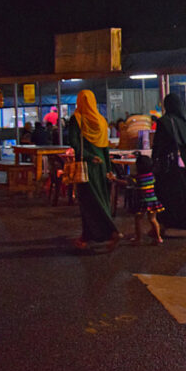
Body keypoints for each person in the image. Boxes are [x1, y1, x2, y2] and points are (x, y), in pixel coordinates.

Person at [68, 90, 120, 251]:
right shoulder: (101, 121)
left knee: (89, 202)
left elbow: (75, 144)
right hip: (102, 165)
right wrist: (108, 169)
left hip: (87, 166)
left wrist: (90, 157)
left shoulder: (76, 119)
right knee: (102, 199)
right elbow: (105, 147)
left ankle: (111, 231)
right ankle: (91, 235)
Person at [153, 93, 186, 237]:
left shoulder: (164, 122)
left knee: (169, 194)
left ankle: (169, 224)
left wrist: (154, 160)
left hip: (170, 163)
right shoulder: (183, 121)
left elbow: (159, 144)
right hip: (185, 161)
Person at [122, 154, 164, 245]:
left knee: (138, 219)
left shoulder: (137, 178)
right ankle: (158, 238)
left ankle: (138, 238)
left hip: (143, 201)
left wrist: (114, 179)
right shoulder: (151, 176)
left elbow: (126, 183)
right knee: (153, 219)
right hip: (153, 200)